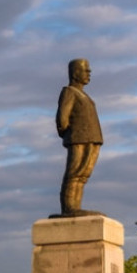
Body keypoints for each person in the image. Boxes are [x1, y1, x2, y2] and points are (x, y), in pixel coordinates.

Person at [55, 58, 102, 216]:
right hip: (78, 138)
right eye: (85, 70)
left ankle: (75, 206)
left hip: (91, 138)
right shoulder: (69, 91)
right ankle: (69, 208)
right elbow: (62, 118)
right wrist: (68, 133)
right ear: (75, 73)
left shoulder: (84, 95)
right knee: (74, 172)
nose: (89, 73)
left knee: (83, 175)